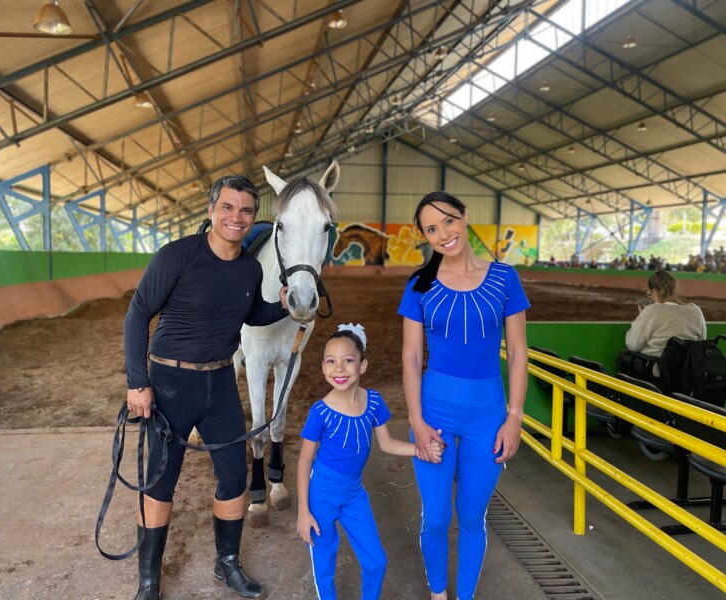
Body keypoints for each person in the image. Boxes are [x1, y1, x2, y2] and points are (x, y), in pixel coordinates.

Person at [123, 174, 290, 600]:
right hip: (170, 384)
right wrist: (138, 383)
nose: (237, 217)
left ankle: (227, 563)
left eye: (246, 210)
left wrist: (284, 307)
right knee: (160, 482)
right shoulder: (177, 256)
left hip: (220, 383)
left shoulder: (251, 268)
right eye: (228, 207)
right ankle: (148, 580)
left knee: (234, 478)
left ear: (254, 218)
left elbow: (253, 313)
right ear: (212, 209)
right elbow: (138, 313)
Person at [398, 191, 529, 600]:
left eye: (449, 221)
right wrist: (417, 423)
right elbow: (411, 356)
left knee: (472, 517)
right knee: (436, 518)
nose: (444, 234)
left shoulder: (505, 278)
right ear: (425, 237)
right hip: (434, 412)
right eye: (432, 229)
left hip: (488, 415)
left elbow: (520, 352)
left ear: (465, 217)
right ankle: (439, 594)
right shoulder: (419, 284)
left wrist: (515, 416)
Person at [296, 323, 444, 600]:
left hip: (354, 494)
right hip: (321, 497)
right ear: (323, 367)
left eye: (348, 361)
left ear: (362, 366)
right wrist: (304, 512)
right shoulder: (320, 412)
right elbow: (304, 462)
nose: (339, 369)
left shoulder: (373, 402)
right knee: (324, 562)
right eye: (331, 361)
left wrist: (421, 450)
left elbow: (386, 443)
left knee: (376, 561)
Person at [625, 269, 707, 358]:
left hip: (659, 368)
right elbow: (702, 341)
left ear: (655, 292)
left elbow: (633, 345)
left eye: (650, 293)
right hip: (689, 368)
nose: (651, 297)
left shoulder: (651, 310)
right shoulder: (696, 310)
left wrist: (641, 316)